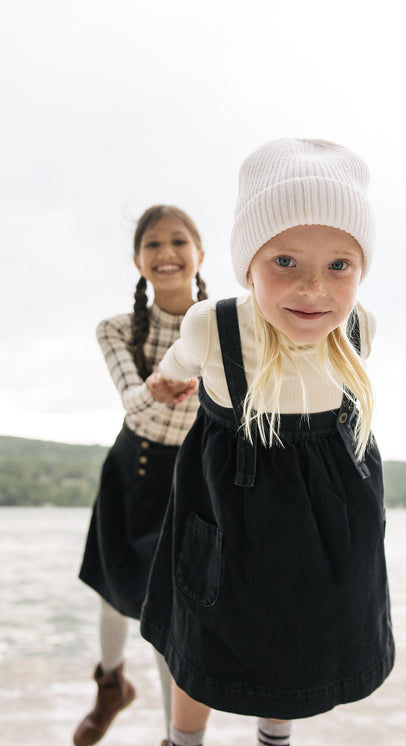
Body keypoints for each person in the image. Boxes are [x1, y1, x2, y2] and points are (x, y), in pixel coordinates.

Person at [141, 139, 395, 746]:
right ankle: (184, 740)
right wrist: (165, 382)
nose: (314, 289)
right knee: (201, 633)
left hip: (330, 506)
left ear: (361, 269)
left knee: (297, 636)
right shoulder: (213, 323)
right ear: (247, 264)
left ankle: (274, 738)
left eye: (340, 265)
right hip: (231, 500)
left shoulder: (359, 326)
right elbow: (177, 365)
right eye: (286, 262)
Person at [74, 205, 207, 746]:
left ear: (200, 254)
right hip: (132, 468)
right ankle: (111, 687)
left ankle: (173, 738)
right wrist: (155, 392)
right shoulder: (117, 328)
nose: (167, 253)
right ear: (137, 260)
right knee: (110, 590)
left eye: (179, 241)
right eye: (153, 244)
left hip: (192, 477)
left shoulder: (223, 325)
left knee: (165, 616)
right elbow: (132, 407)